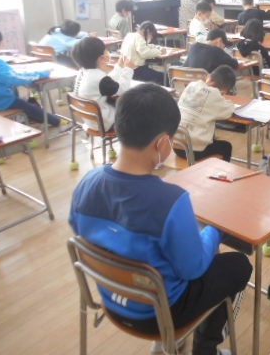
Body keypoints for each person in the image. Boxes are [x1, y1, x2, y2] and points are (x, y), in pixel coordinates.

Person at [69, 84, 252, 355]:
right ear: (163, 143)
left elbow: (87, 236)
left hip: (111, 298)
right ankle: (205, 348)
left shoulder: (86, 184)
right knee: (238, 264)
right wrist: (215, 229)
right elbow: (194, 269)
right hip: (160, 315)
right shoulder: (171, 201)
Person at [0, 25, 63, 127]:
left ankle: (27, 120)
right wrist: (43, 73)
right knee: (31, 108)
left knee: (19, 96)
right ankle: (57, 122)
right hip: (1, 102)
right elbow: (17, 78)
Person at [72, 37, 134, 131]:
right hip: (106, 123)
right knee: (139, 108)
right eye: (106, 50)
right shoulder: (99, 78)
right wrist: (129, 69)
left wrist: (119, 66)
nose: (107, 52)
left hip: (90, 120)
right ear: (102, 58)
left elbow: (108, 82)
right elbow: (122, 89)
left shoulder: (83, 72)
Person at [176, 65, 236, 163]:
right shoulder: (214, 94)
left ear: (209, 76)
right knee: (226, 147)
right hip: (193, 151)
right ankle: (217, 172)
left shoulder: (192, 85)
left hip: (176, 144)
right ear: (224, 91)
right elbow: (229, 111)